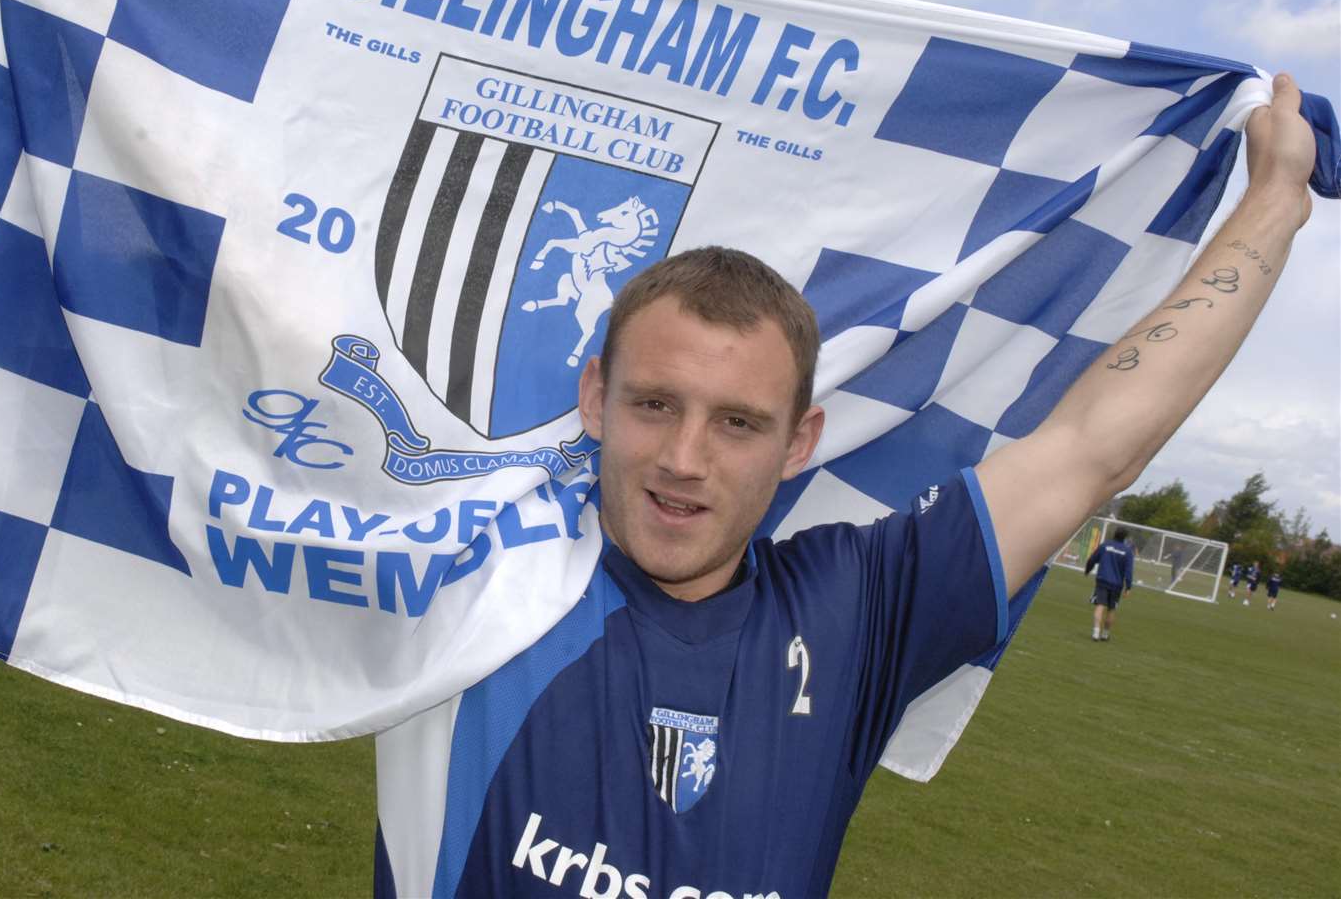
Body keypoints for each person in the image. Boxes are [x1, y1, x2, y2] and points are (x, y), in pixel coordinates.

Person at [371, 75, 1317, 897]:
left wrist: (1274, 196)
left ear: (799, 441)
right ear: (595, 398)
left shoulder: (857, 607)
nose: (685, 459)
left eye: (738, 422)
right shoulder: (473, 557)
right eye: (656, 404)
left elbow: (1091, 444)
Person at [1084, 526, 1136, 640]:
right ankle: (1105, 634)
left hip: (1102, 580)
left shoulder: (1105, 545)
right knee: (1111, 609)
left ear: (1114, 534)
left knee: (1100, 606)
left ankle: (1096, 633)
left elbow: (1092, 559)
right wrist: (1128, 587)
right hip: (1116, 585)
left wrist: (1087, 570)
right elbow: (1128, 571)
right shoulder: (1127, 552)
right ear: (1125, 538)